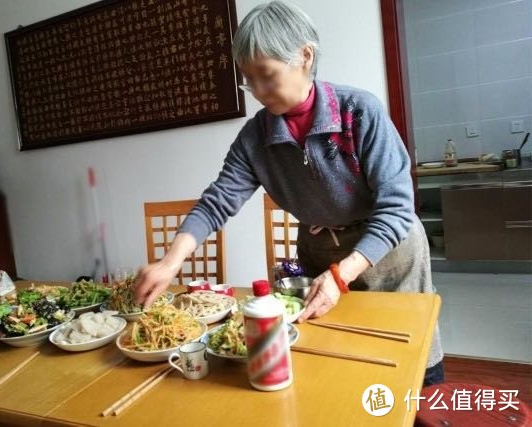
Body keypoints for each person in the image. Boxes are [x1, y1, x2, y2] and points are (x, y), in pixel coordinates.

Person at [133, 1, 443, 385]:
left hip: (388, 253)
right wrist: (169, 263)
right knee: (333, 365)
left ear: (305, 57)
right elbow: (218, 201)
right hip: (319, 250)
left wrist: (341, 275)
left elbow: (396, 209)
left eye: (267, 75)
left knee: (406, 360)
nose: (258, 92)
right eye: (248, 79)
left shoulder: (359, 112)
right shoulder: (256, 138)